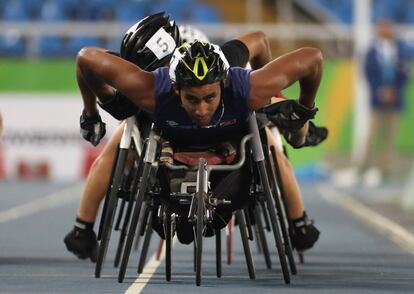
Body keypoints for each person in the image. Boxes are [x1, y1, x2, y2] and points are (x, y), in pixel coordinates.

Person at [64, 13, 322, 261]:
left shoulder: (236, 76)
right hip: (160, 122)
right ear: (173, 83)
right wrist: (96, 108)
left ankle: (301, 139)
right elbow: (87, 58)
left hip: (232, 119)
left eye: (208, 96)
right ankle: (82, 229)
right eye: (151, 70)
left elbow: (283, 48)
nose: (201, 108)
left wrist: (283, 101)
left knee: (270, 139)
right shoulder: (149, 87)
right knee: (124, 132)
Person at [360, 19, 410, 185]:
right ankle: (364, 167)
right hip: (377, 98)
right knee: (372, 134)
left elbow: (405, 72)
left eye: (387, 27)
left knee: (389, 135)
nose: (384, 30)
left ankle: (385, 168)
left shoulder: (400, 50)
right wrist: (380, 90)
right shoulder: (371, 51)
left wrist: (394, 90)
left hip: (394, 99)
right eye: (381, 27)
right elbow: (368, 73)